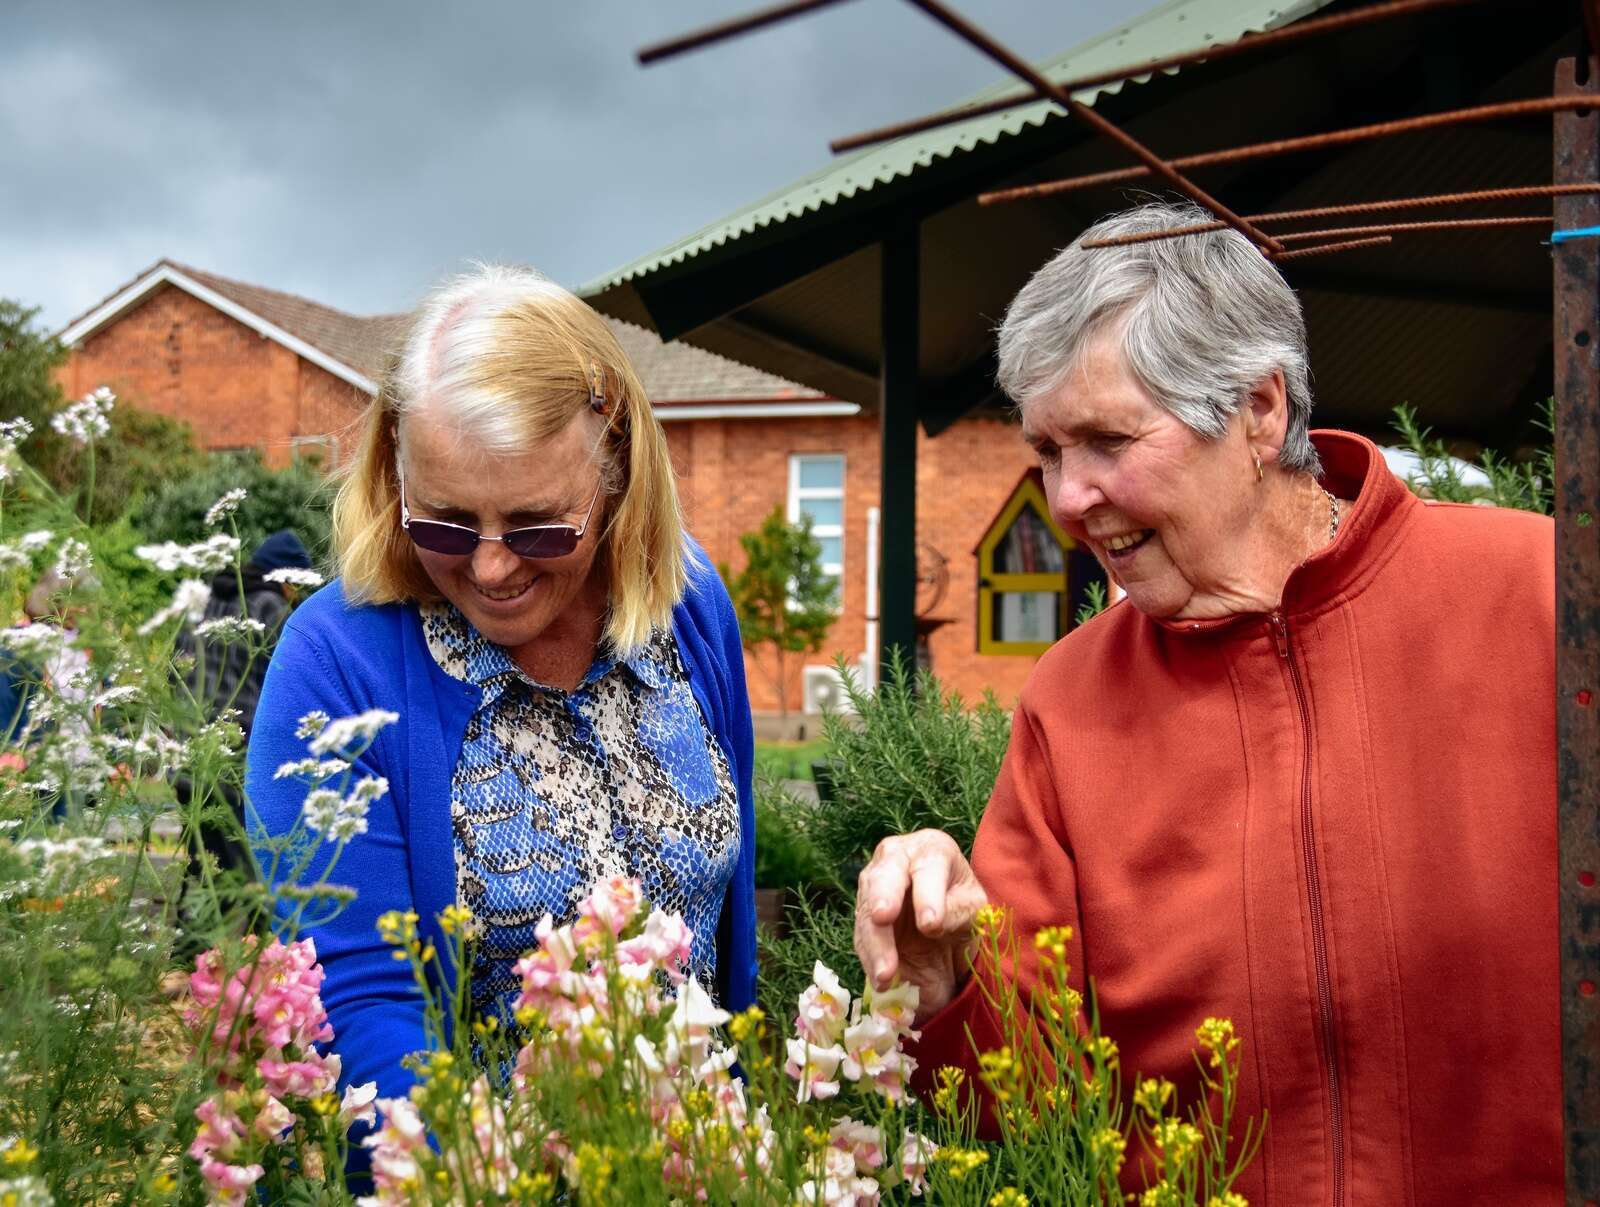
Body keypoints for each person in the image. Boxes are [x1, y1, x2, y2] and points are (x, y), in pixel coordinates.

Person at [854, 202, 1559, 1204]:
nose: (1064, 497)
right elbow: (1031, 1097)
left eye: (1106, 438)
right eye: (1048, 452)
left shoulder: (1541, 594)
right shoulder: (1072, 699)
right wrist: (950, 988)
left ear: (1261, 411)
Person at [245, 266, 757, 1120]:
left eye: (538, 525)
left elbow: (727, 940)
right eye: (444, 521)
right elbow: (357, 1011)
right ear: (393, 476)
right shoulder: (336, 661)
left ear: (618, 471)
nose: (489, 566)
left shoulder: (687, 603)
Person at [175, 528, 314, 881]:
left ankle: (192, 933)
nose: (296, 594)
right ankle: (236, 935)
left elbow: (173, 672)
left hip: (190, 754)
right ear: (285, 577)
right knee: (244, 874)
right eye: (295, 585)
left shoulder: (202, 603)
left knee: (201, 862)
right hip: (240, 761)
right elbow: (290, 685)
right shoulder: (271, 608)